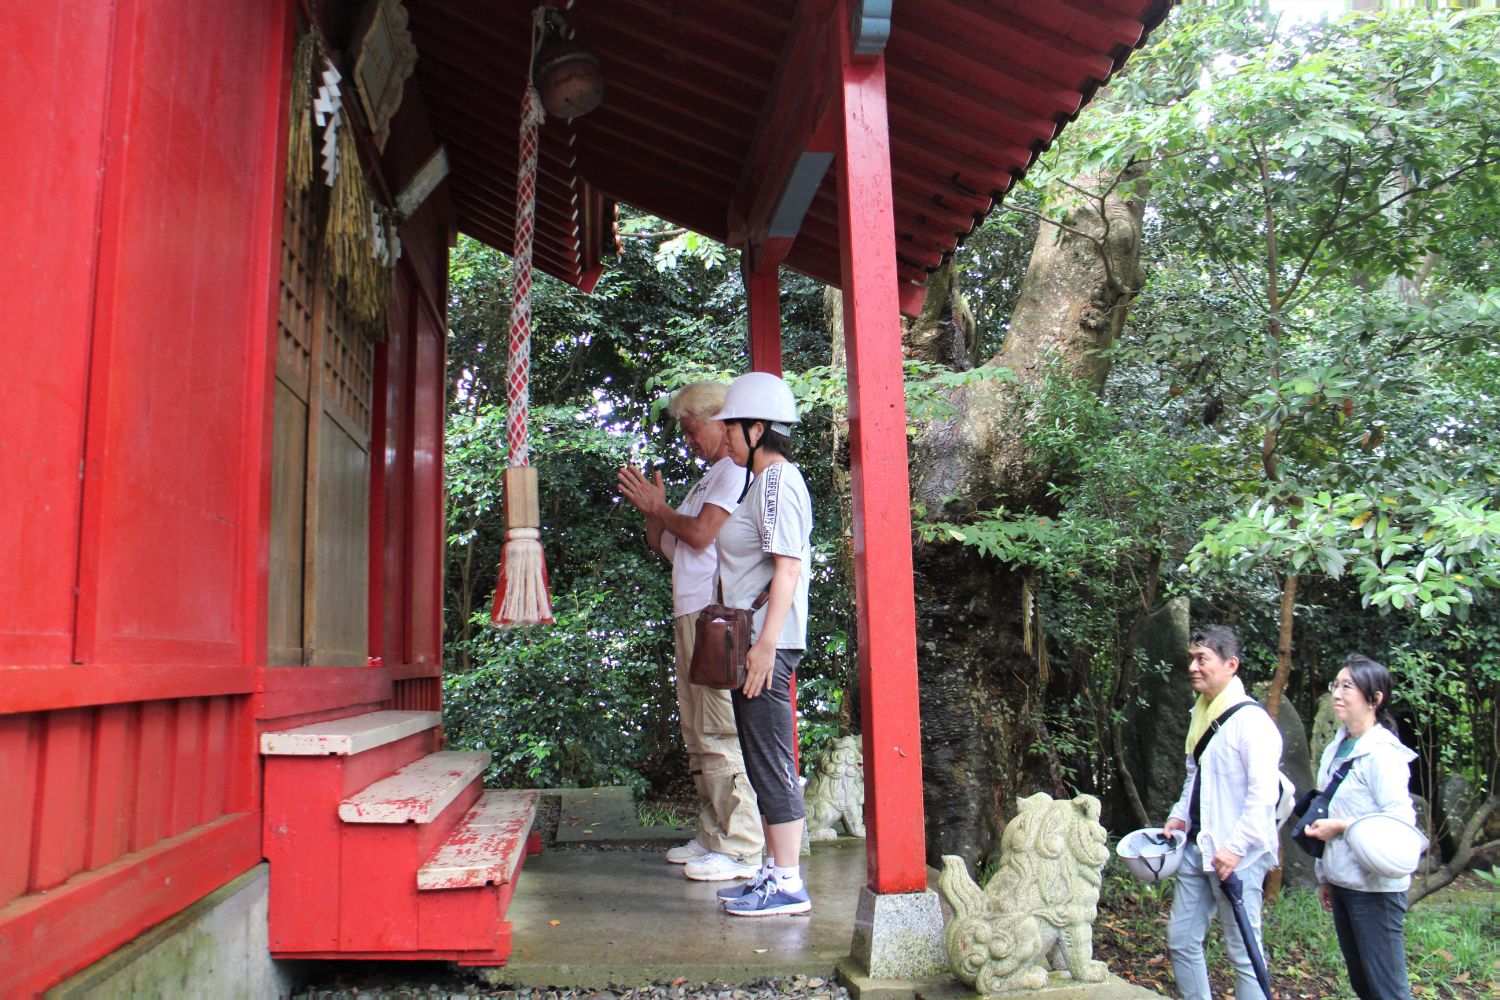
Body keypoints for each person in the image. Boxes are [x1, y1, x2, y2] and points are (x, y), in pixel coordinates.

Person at [617, 381, 764, 882]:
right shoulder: (707, 479)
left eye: (690, 428)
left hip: (717, 615)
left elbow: (701, 534)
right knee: (696, 729)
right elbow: (672, 547)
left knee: (719, 726)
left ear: (722, 422)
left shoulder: (735, 472)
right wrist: (653, 511)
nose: (686, 439)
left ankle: (743, 844)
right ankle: (713, 833)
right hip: (691, 611)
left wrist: (662, 510)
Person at [707, 371, 814, 917]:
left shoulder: (777, 482)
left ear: (758, 428)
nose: (724, 438)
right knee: (758, 756)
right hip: (757, 640)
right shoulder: (762, 482)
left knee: (771, 759)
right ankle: (773, 870)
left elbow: (788, 569)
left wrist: (766, 646)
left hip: (766, 642)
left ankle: (790, 883)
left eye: (731, 428)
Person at [1163, 625, 1283, 1000]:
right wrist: (1179, 815)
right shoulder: (1201, 714)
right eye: (1191, 658)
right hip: (1199, 846)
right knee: (1181, 938)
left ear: (1231, 665)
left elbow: (1262, 795)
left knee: (1243, 950)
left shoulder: (1253, 723)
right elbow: (1194, 777)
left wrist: (1235, 847)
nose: (1193, 667)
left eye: (1203, 659)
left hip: (1238, 856)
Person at [1303, 654, 1419, 1000]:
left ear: (1375, 699)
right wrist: (1325, 876)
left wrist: (1341, 826)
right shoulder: (1336, 747)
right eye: (1335, 685)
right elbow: (1327, 807)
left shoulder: (1383, 754)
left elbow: (1401, 822)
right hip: (1343, 881)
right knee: (1364, 985)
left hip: (1376, 888)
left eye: (1347, 686)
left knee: (1388, 990)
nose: (1337, 693)